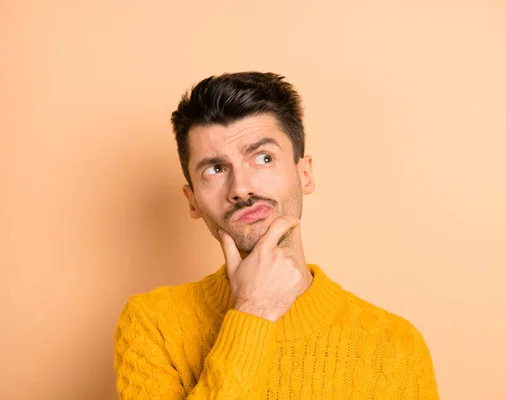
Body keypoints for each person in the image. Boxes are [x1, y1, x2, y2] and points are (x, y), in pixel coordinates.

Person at [113, 72, 439, 399]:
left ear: (304, 174)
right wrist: (252, 311)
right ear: (193, 200)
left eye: (264, 158)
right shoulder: (151, 324)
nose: (241, 188)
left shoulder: (395, 345)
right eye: (214, 169)